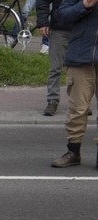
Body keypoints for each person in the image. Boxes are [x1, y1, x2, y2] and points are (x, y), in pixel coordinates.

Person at [51, 0, 98, 168]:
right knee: (77, 109)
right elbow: (62, 16)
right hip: (80, 57)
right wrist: (84, 5)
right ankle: (73, 152)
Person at [37, 0, 74, 116]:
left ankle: (80, 102)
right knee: (55, 67)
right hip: (59, 28)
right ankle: (52, 100)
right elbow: (42, 1)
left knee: (81, 69)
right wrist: (43, 22)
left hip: (82, 29)